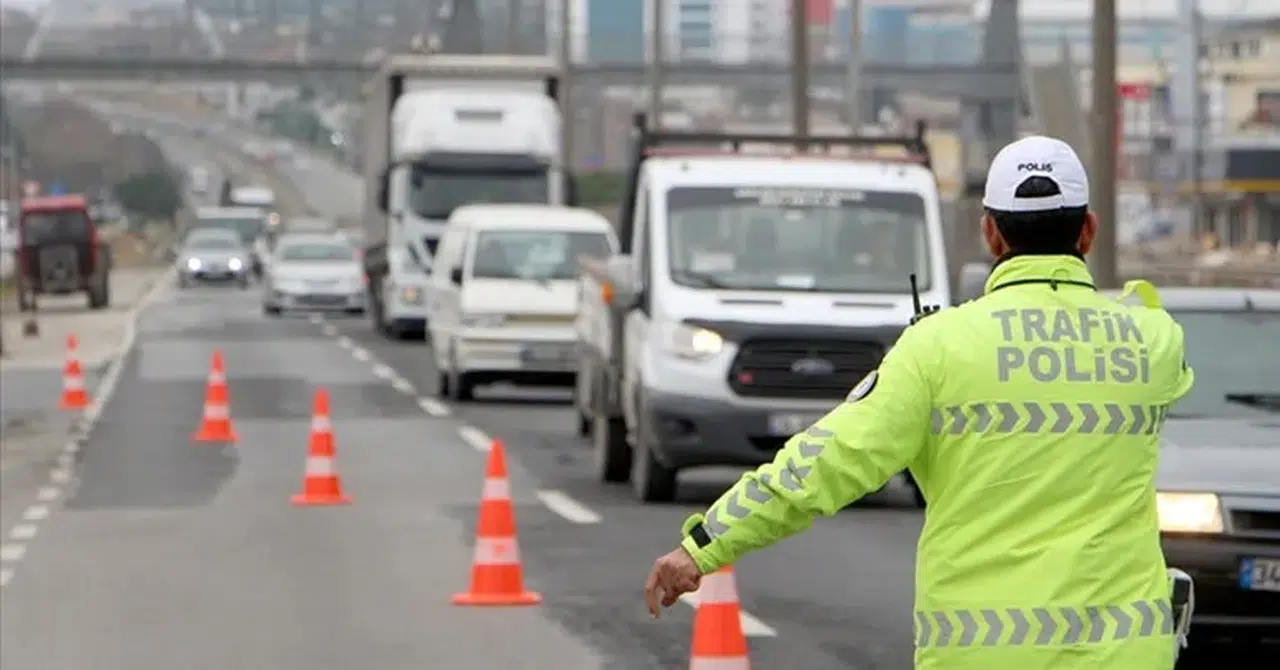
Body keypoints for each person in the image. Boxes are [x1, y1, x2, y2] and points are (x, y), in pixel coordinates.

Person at [643, 136, 1194, 670]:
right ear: (1089, 230)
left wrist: (704, 545)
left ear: (990, 233)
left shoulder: (937, 346)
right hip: (1126, 654)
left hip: (981, 653)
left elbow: (823, 464)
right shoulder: (1152, 340)